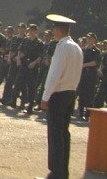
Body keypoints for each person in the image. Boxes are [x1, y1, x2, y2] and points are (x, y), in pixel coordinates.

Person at [39, 14, 83, 179]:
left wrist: (46, 95)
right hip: (70, 92)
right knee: (64, 133)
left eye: (54, 28)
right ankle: (62, 170)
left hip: (58, 94)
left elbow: (55, 73)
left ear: (58, 30)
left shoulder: (62, 46)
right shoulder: (76, 47)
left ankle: (56, 171)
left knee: (55, 134)